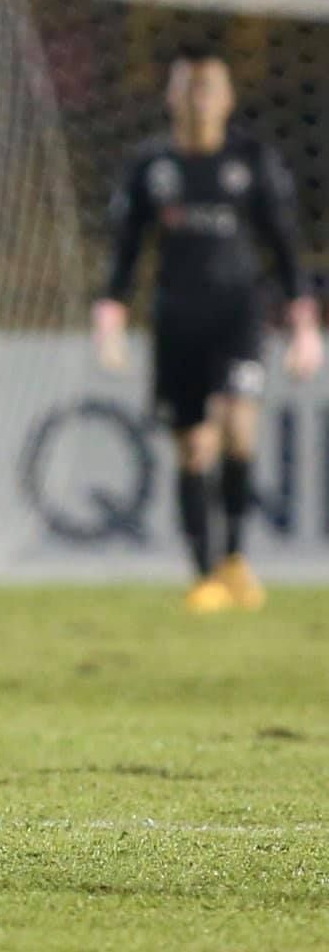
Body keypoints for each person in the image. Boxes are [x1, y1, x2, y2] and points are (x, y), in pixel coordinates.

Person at [93, 46, 321, 612]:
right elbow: (125, 254)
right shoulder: (153, 167)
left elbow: (285, 248)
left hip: (238, 316)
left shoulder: (252, 161)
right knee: (194, 448)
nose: (198, 98)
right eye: (187, 87)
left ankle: (237, 559)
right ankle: (205, 575)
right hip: (176, 321)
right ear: (171, 97)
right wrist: (111, 320)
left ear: (227, 98)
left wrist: (304, 327)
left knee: (239, 428)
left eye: (208, 87)